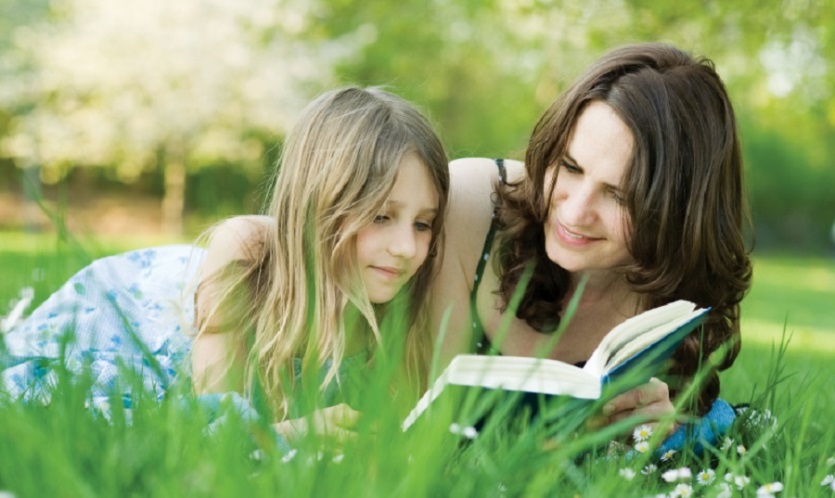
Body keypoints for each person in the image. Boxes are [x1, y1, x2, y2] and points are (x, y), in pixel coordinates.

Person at [1, 87, 450, 447]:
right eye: (380, 216)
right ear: (321, 205)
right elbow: (210, 432)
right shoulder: (245, 251)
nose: (406, 247)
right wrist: (296, 432)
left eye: (423, 223)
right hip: (124, 320)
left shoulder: (403, 306)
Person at [430, 42, 752, 449]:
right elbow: (421, 428)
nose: (576, 212)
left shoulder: (668, 306)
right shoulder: (471, 206)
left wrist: (637, 436)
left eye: (619, 196)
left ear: (676, 215)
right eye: (569, 167)